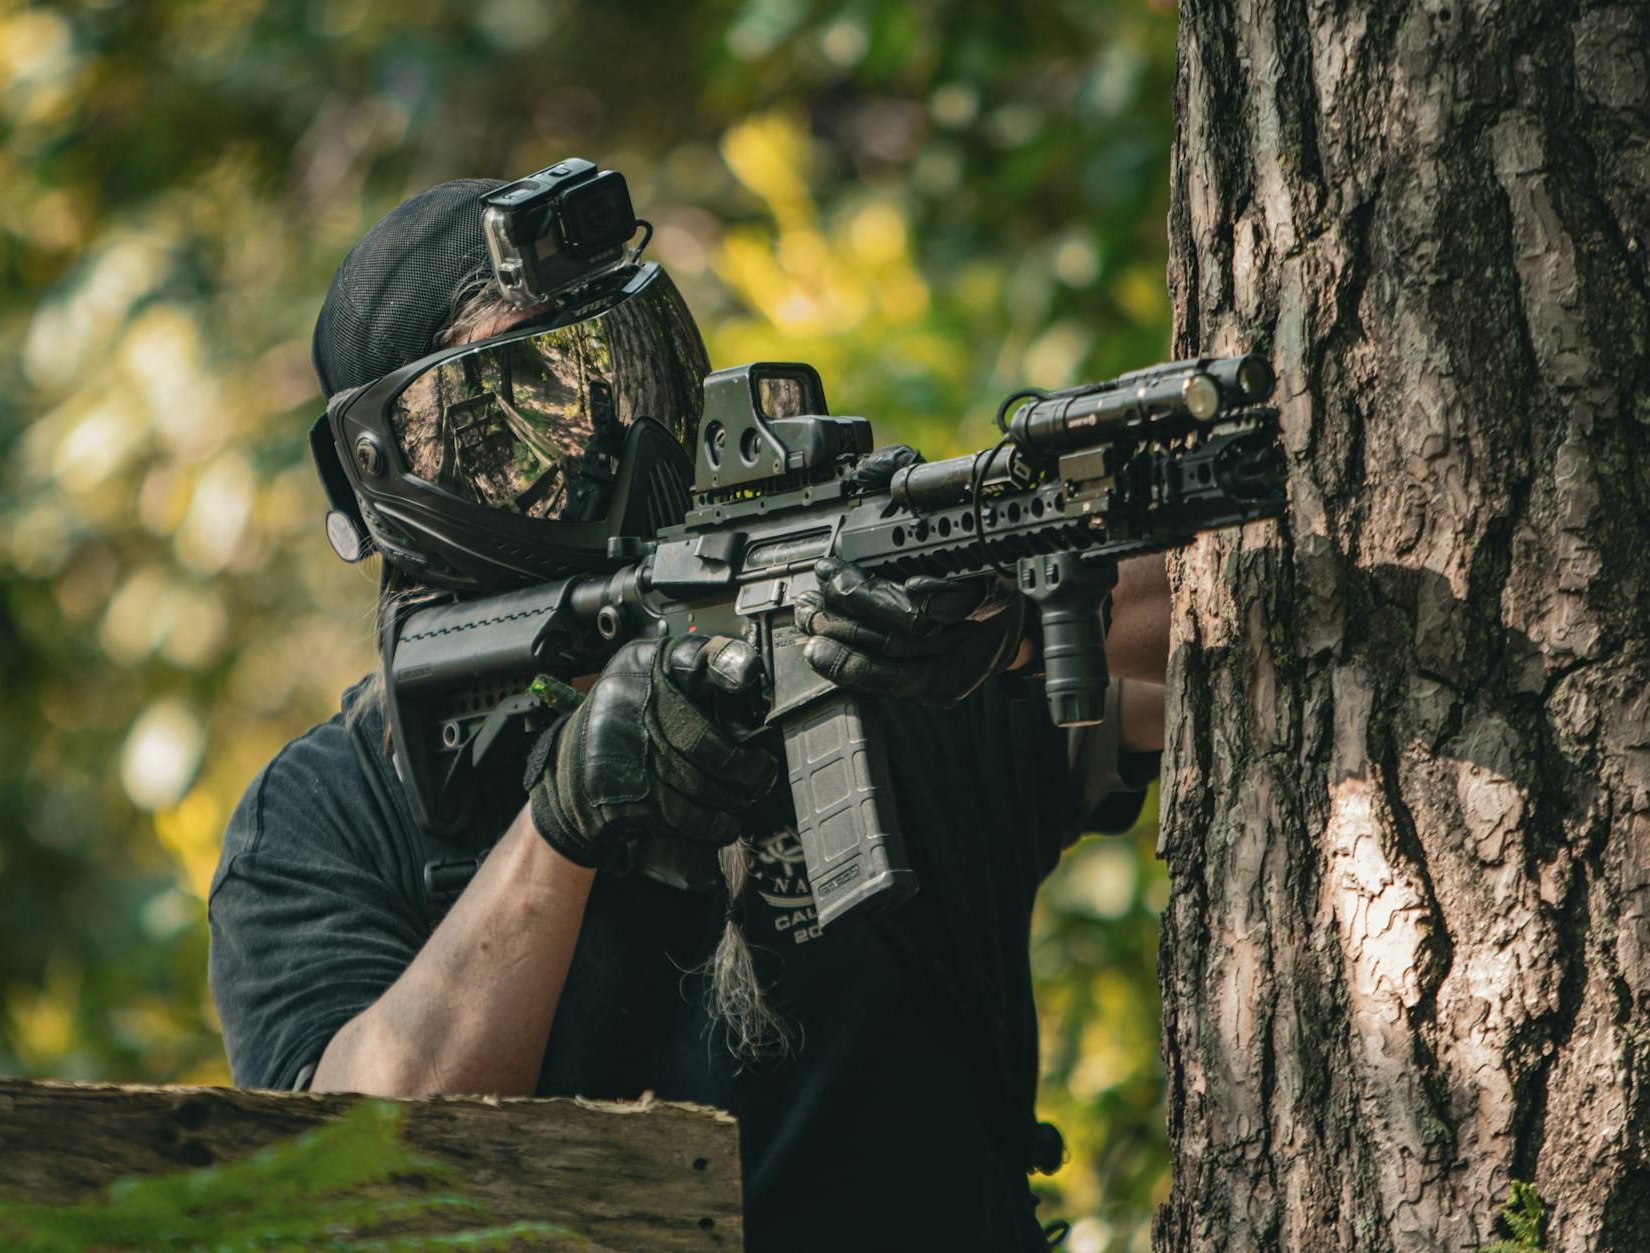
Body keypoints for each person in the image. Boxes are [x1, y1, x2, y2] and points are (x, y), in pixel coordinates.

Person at [207, 173, 1167, 1251]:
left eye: (624, 364)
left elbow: (1215, 624)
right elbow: (351, 1183)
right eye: (538, 406)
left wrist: (996, 618)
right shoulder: (328, 813)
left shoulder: (859, 645)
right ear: (406, 469)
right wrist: (559, 828)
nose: (618, 435)